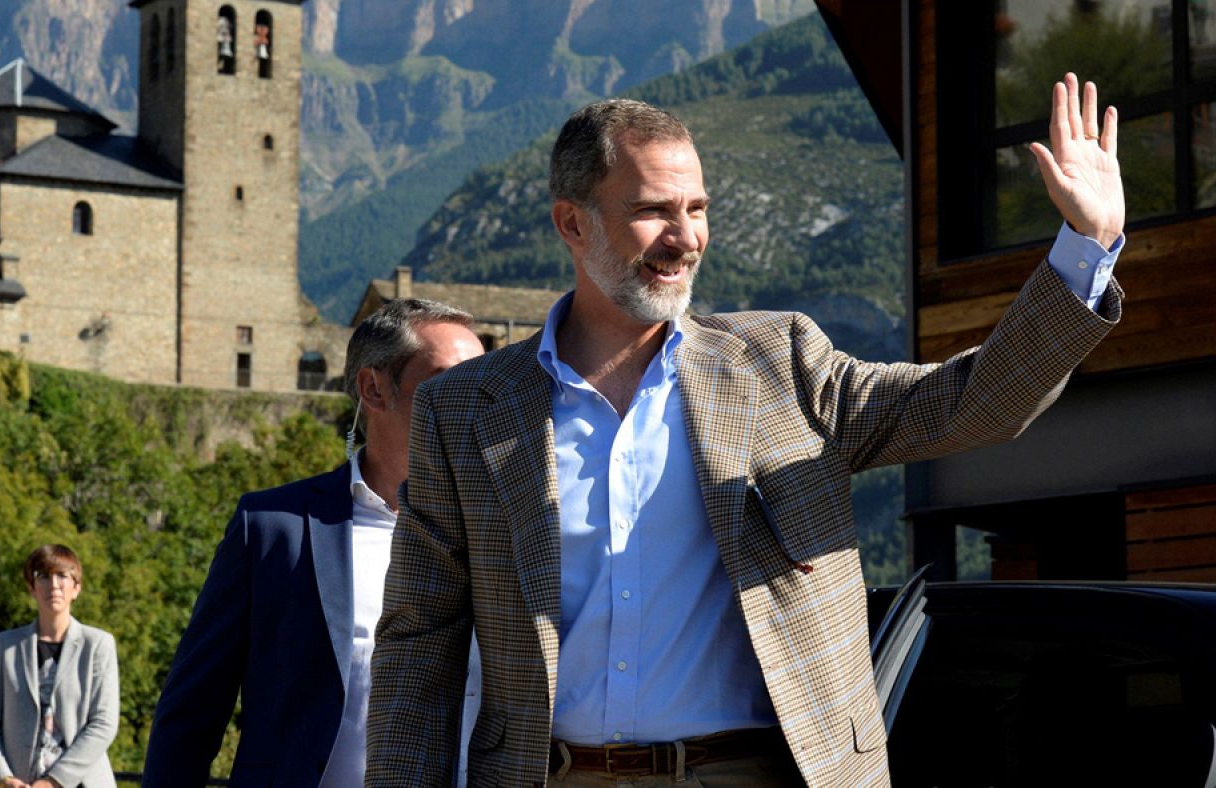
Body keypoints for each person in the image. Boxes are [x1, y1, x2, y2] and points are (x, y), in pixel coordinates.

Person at [366, 73, 1125, 786]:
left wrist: (1082, 251)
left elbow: (975, 401)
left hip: (753, 773)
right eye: (653, 211)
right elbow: (418, 645)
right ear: (573, 222)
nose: (685, 236)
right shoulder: (464, 411)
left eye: (697, 209)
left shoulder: (779, 364)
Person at [144, 299, 486, 787]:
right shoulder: (273, 528)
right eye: (452, 382)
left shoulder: (505, 532)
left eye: (483, 385)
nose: (474, 403)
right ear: (374, 388)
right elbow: (191, 716)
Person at [0, 545, 119, 788]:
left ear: (77, 588)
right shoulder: (6, 645)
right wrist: (3, 777)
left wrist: (54, 781)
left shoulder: (97, 644)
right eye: (43, 576)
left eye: (62, 575)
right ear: (31, 588)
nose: (54, 584)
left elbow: (104, 722)